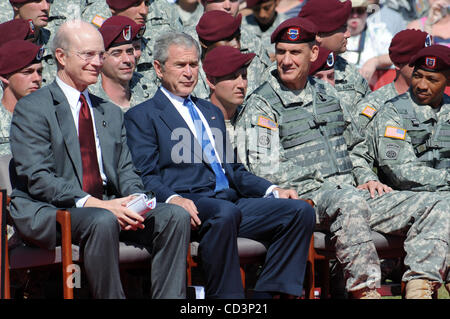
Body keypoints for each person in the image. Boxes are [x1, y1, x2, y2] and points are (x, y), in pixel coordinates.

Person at [235, 16, 449, 299]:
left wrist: (367, 177)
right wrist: (327, 184)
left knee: (438, 202)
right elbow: (265, 167)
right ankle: (366, 290)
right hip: (306, 200)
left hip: (353, 193)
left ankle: (421, 286)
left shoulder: (327, 94)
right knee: (346, 201)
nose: (286, 60)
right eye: (281, 52)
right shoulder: (262, 104)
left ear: (313, 53)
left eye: (295, 52)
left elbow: (357, 146)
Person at [124, 31, 316, 299]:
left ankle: (267, 295)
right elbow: (145, 175)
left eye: (193, 65)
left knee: (298, 212)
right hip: (191, 202)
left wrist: (272, 190)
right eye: (180, 65)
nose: (189, 72)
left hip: (229, 202)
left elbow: (234, 170)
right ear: (158, 68)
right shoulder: (142, 116)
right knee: (224, 213)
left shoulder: (210, 111)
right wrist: (174, 199)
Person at [9, 20, 191, 299]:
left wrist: (134, 201)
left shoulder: (109, 111)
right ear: (61, 57)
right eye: (88, 55)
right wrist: (98, 205)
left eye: (100, 54)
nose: (97, 62)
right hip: (52, 210)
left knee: (173, 215)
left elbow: (126, 170)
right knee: (102, 220)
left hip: (106, 205)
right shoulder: (33, 109)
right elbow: (38, 178)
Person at [366, 44, 450, 297]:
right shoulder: (394, 111)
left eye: (432, 79)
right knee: (443, 207)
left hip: (441, 198)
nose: (422, 85)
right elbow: (401, 172)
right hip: (401, 200)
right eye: (417, 76)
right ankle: (419, 287)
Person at [298, 0, 372, 111]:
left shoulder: (349, 71)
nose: (348, 34)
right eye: (342, 29)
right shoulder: (287, 71)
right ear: (318, 35)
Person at [355, 28, 433, 129]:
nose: (427, 66)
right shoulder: (374, 104)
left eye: (430, 60)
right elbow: (360, 142)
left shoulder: (442, 102)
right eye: (418, 61)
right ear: (397, 63)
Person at [194, 10, 267, 99]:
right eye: (227, 39)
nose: (236, 45)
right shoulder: (189, 72)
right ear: (204, 43)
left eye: (238, 38)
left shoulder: (253, 62)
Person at [90, 15, 155, 111]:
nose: (127, 60)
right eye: (117, 53)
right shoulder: (89, 98)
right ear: (101, 58)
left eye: (129, 52)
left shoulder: (149, 89)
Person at [203, 45, 255, 146]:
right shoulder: (196, 120)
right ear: (211, 82)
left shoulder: (253, 116)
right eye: (232, 77)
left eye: (244, 76)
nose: (241, 85)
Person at [341, 0, 394, 83]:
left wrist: (375, 61)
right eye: (350, 11)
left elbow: (395, 54)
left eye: (360, 11)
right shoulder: (333, 34)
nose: (355, 15)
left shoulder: (378, 31)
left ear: (366, 13)